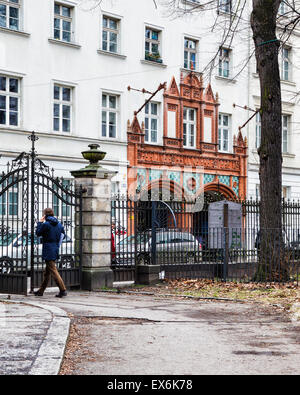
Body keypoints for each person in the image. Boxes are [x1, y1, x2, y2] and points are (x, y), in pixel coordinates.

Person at [34, 208, 67, 298]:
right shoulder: (59, 224)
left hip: (48, 249)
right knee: (47, 272)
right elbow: (63, 236)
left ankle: (63, 290)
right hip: (55, 248)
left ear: (45, 215)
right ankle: (41, 291)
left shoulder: (46, 224)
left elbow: (38, 233)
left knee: (53, 270)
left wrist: (40, 222)